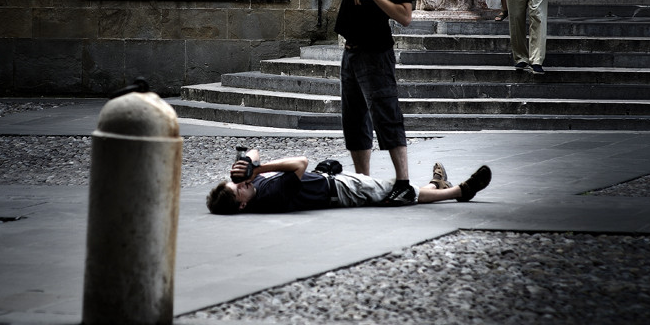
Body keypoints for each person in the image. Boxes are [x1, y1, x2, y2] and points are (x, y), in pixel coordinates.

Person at [300, 0, 416, 204]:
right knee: (353, 117)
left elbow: (405, 16)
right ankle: (363, 181)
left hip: (375, 52)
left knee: (385, 112)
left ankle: (403, 183)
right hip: (350, 51)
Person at [206, 147, 492, 215]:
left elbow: (251, 152)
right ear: (241, 206)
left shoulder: (254, 189)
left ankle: (435, 184)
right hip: (343, 191)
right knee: (401, 192)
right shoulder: (270, 196)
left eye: (237, 183)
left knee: (394, 189)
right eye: (238, 190)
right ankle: (459, 192)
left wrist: (249, 163)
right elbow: (300, 163)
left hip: (336, 182)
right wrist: (257, 169)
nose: (242, 184)